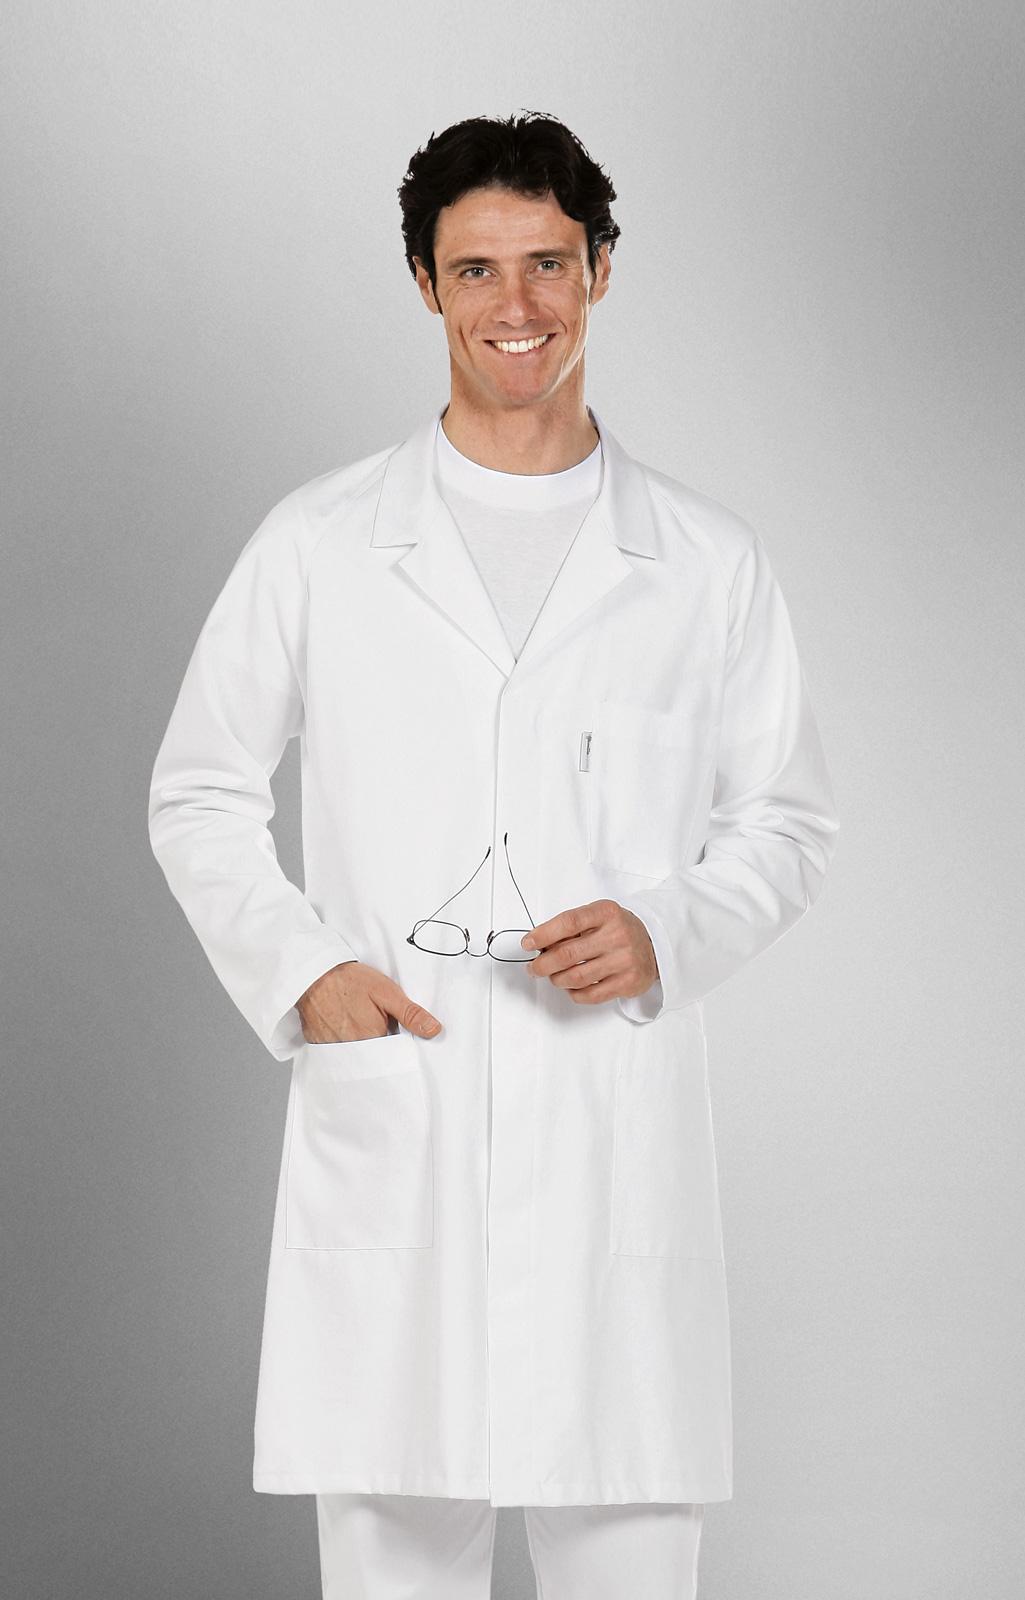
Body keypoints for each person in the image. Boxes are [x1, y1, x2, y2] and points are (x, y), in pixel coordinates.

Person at [149, 111, 839, 1600]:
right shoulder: (321, 543)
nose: (514, 305)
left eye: (547, 264)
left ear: (601, 270)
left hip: (609, 1153)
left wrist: (666, 932)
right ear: (424, 284)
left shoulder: (705, 561)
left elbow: (786, 819)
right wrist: (304, 972)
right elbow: (199, 789)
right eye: (475, 270)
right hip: (399, 1127)